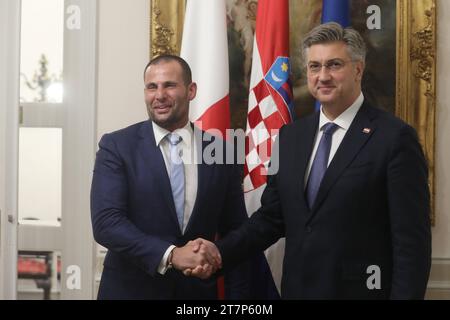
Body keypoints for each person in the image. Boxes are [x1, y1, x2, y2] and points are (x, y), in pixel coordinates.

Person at [187, 22, 432, 299]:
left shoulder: (394, 138)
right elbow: (271, 218)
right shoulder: (292, 137)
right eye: (315, 66)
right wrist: (219, 253)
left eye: (334, 65)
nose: (323, 76)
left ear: (358, 69)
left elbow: (411, 244)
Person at [90, 54, 250, 299]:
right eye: (152, 87)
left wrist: (214, 256)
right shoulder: (117, 146)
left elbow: (236, 230)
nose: (159, 95)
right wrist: (172, 255)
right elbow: (107, 224)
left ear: (191, 90)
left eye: (170, 85)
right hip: (131, 291)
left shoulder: (221, 151)